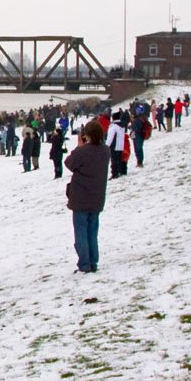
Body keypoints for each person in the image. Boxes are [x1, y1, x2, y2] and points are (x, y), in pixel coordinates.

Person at [65, 119, 109, 273]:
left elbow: (69, 163)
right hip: (97, 197)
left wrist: (79, 146)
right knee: (92, 231)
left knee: (81, 231)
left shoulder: (83, 151)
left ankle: (84, 263)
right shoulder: (105, 151)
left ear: (87, 135)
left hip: (81, 197)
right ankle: (93, 261)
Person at [104, 113, 128, 179]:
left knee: (114, 160)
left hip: (114, 145)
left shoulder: (113, 126)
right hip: (120, 145)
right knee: (119, 159)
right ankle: (121, 171)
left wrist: (106, 146)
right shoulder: (122, 125)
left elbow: (110, 137)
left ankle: (115, 173)